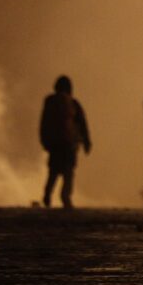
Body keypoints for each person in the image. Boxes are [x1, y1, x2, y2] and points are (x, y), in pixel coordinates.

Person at [38, 75, 92, 209]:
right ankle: (65, 197)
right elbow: (82, 123)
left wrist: (44, 141)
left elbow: (44, 123)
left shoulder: (49, 101)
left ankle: (47, 195)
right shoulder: (73, 103)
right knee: (68, 172)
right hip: (69, 144)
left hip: (55, 144)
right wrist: (86, 141)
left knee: (53, 171)